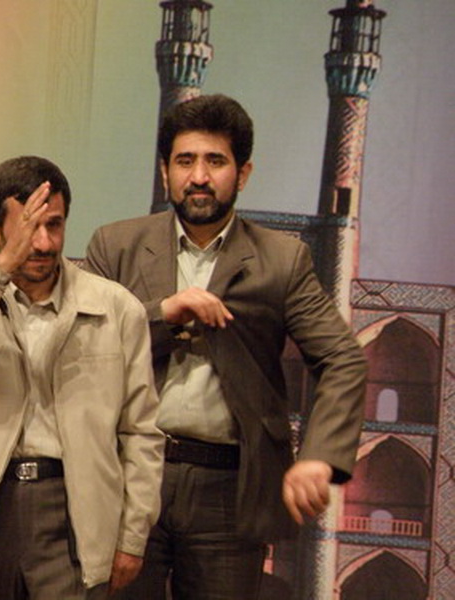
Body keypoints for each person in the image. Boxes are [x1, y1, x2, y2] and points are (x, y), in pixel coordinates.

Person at [84, 94, 367, 599]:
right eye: (185, 161)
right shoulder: (116, 246)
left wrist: (320, 456)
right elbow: (85, 347)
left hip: (229, 493)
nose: (198, 176)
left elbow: (342, 357)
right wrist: (165, 313)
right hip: (129, 476)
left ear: (243, 173)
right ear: (165, 171)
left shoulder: (281, 260)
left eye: (215, 161)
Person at [0, 156, 164, 599]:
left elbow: (140, 433)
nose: (42, 243)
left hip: (71, 513)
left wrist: (132, 536)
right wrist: (0, 269)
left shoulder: (117, 308)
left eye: (54, 225)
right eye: (27, 227)